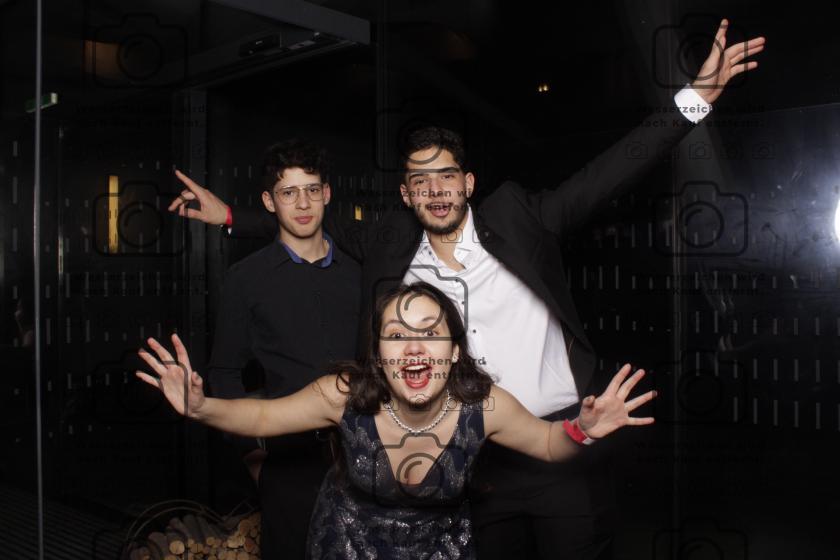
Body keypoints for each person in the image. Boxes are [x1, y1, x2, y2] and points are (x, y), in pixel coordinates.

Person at [169, 19, 764, 558]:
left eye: (446, 176)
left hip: (562, 440)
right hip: (470, 462)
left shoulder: (520, 218)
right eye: (420, 181)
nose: (435, 190)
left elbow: (607, 174)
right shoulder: (390, 245)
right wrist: (231, 217)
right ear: (406, 194)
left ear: (468, 182)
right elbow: (311, 225)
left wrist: (695, 100)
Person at [136, 282, 657, 559]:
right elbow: (264, 414)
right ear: (379, 355)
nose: (414, 347)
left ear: (454, 352)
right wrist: (201, 407)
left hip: (442, 549)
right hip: (346, 544)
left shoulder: (484, 406)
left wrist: (582, 431)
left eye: (430, 333)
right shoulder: (344, 394)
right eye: (397, 335)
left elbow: (546, 444)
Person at [200, 139, 361, 558]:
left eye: (312, 189)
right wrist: (252, 455)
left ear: (327, 194)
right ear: (269, 202)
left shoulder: (359, 273)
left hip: (363, 456)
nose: (302, 203)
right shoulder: (246, 278)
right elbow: (224, 371)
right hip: (289, 466)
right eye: (288, 192)